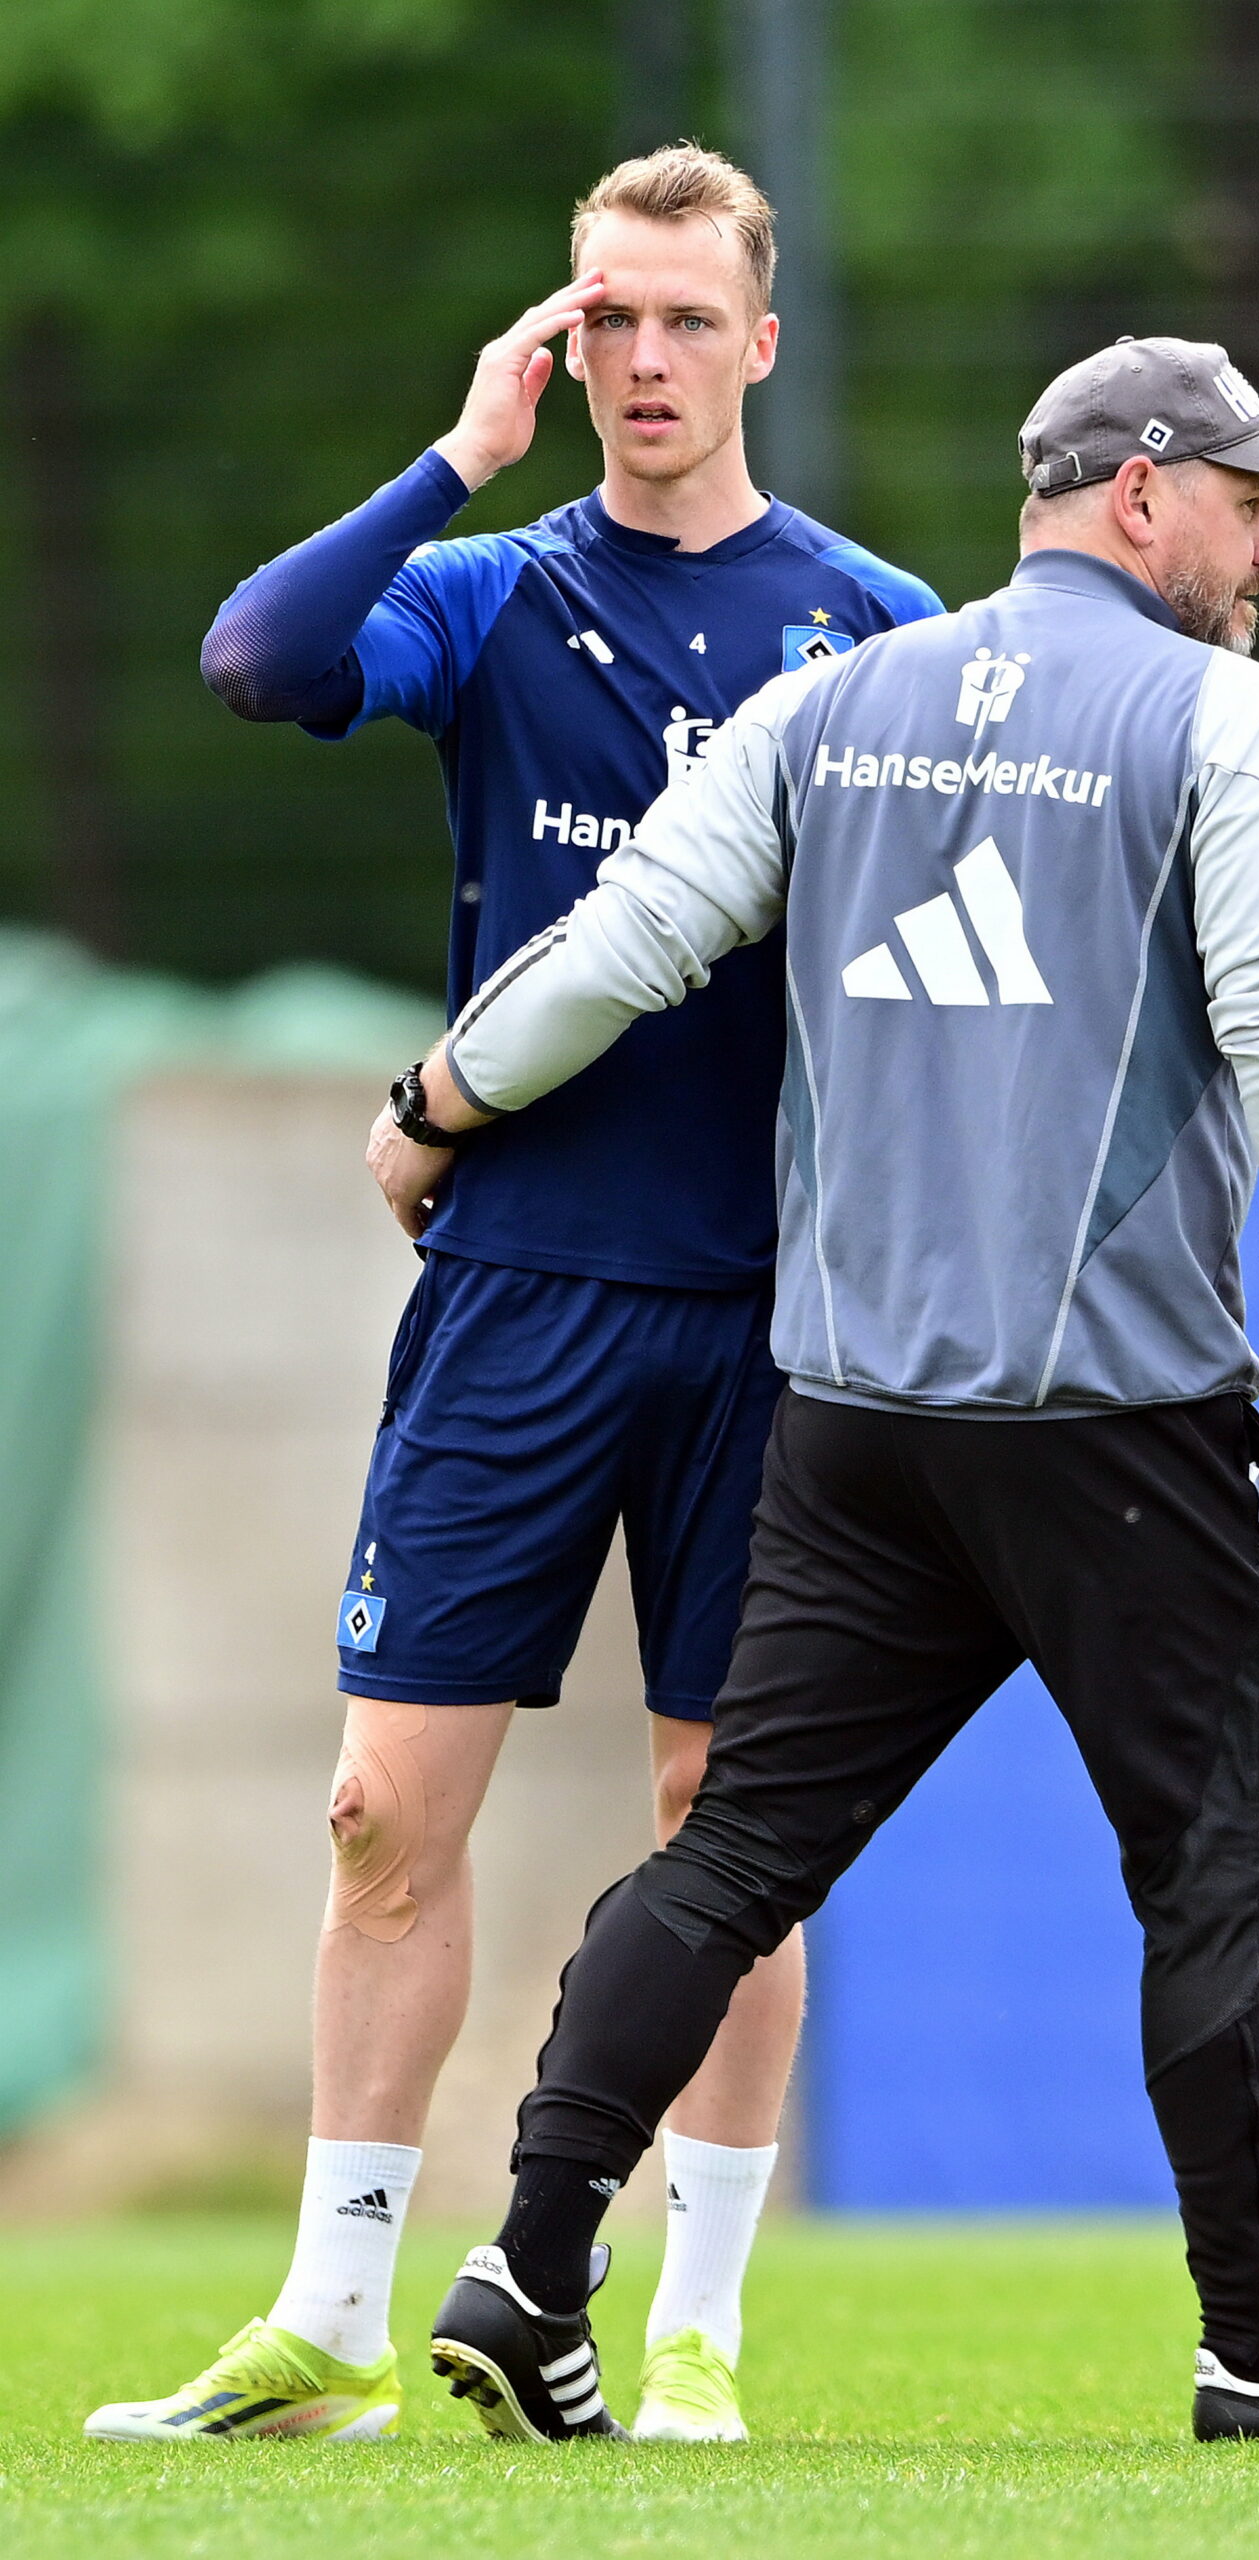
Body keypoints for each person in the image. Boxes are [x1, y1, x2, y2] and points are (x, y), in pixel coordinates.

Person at [374, 336, 1259, 2445]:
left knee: (729, 1860)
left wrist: (436, 1095)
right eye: (1252, 500)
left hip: (856, 1423)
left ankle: (527, 2266)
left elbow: (626, 940)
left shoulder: (830, 701)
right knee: (1209, 1871)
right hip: (1110, 1412)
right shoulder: (1214, 711)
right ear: (1137, 491)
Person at [83, 144, 942, 2451]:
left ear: (759, 341)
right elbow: (258, 660)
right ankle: (337, 2317)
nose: (640, 360)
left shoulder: (873, 628)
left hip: (777, 1316)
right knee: (380, 1806)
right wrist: (457, 450)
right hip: (518, 1293)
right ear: (561, 344)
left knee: (718, 1815)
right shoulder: (488, 590)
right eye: (602, 318)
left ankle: (694, 2330)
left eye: (682, 319)